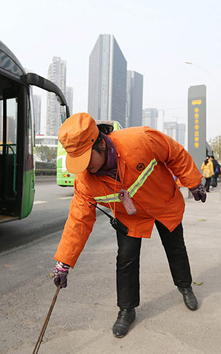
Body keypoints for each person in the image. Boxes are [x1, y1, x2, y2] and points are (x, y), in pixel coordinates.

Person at [51, 113, 207, 339]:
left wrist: (193, 181)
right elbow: (78, 220)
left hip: (162, 202)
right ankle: (126, 310)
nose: (85, 167)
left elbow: (175, 153)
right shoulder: (85, 180)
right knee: (126, 259)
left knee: (175, 248)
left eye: (86, 158)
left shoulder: (140, 140)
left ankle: (185, 287)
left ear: (102, 144)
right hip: (129, 217)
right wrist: (64, 262)